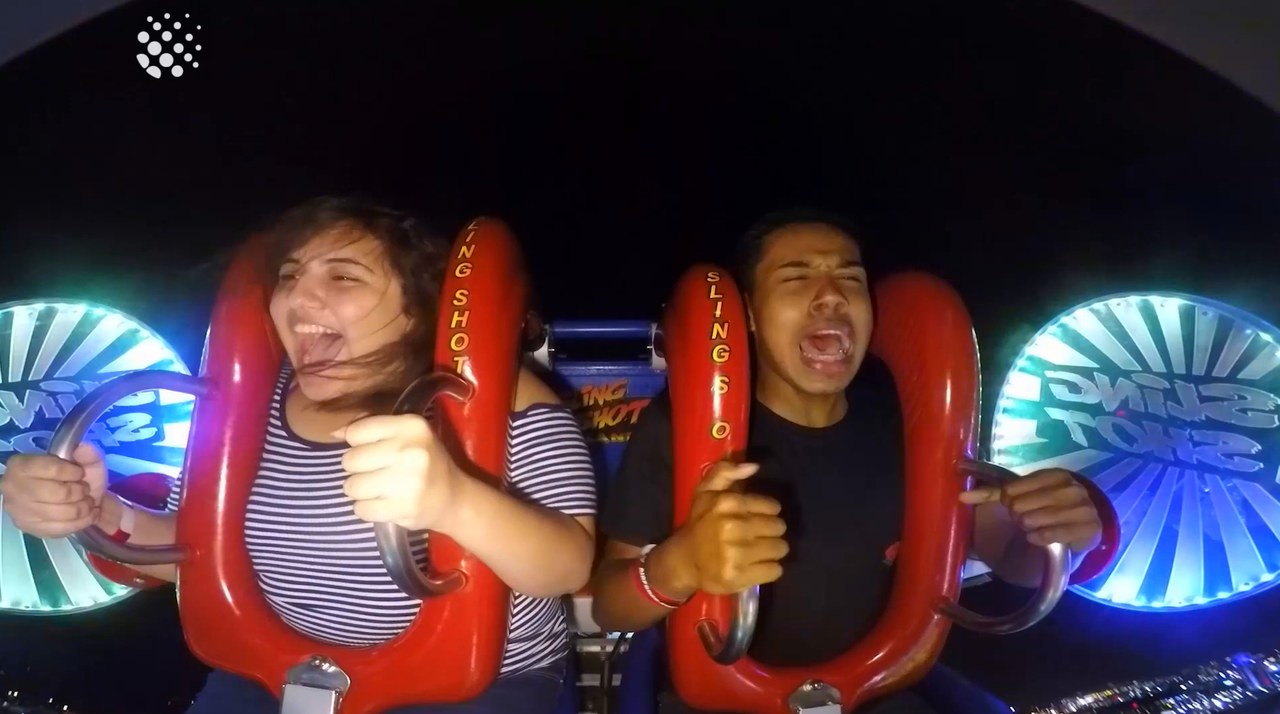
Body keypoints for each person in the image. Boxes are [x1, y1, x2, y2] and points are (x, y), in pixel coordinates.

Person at [0, 196, 598, 714]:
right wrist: (95, 511)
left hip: (477, 682)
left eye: (343, 277)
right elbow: (196, 551)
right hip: (282, 669)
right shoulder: (247, 407)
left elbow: (567, 566)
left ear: (416, 307)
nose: (297, 297)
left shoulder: (500, 400)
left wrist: (456, 501)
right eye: (288, 276)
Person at [589, 208, 1106, 713]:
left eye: (850, 279)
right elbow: (610, 605)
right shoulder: (684, 424)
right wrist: (681, 565)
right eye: (796, 278)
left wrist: (1056, 534)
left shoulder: (908, 425)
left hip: (873, 689)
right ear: (748, 313)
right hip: (718, 701)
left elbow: (1008, 555)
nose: (832, 296)